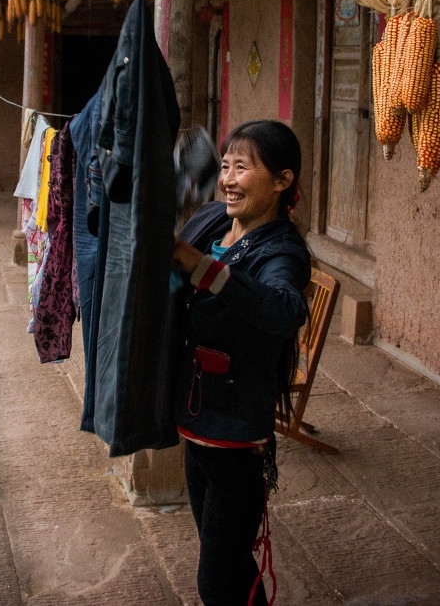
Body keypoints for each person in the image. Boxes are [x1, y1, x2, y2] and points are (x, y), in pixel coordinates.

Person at [170, 119, 312, 606]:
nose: (228, 179)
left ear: (282, 180)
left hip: (235, 438)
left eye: (243, 168)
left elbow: (284, 309)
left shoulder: (282, 250)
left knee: (216, 578)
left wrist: (200, 268)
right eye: (225, 166)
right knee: (227, 560)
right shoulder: (211, 222)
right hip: (195, 421)